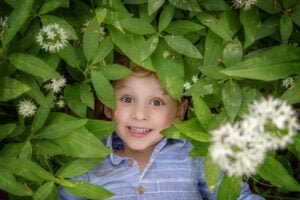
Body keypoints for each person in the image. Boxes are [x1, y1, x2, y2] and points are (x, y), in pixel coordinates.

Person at [59, 65, 264, 200]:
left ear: (179, 112)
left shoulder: (194, 155)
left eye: (157, 102)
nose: (140, 114)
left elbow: (235, 195)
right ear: (107, 105)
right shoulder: (88, 162)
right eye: (127, 99)